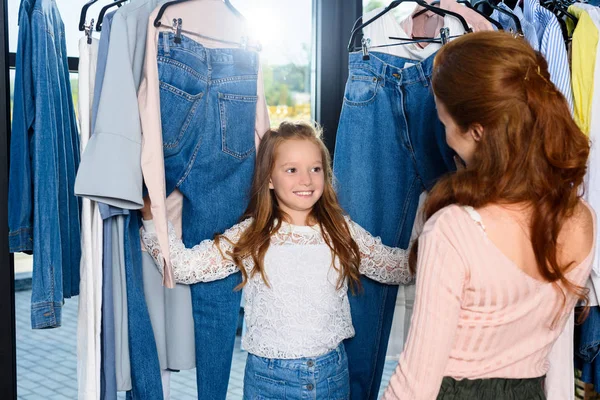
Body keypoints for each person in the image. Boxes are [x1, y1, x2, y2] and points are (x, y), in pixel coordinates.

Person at [383, 31, 595, 400]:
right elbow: (557, 352)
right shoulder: (580, 219)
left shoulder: (454, 231)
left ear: (477, 131)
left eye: (444, 121)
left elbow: (414, 385)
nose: (445, 135)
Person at [140, 121, 414, 399]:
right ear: (270, 178)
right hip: (269, 380)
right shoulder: (252, 234)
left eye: (315, 169)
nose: (306, 179)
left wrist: (435, 237)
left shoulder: (341, 230)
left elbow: (395, 267)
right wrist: (151, 219)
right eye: (291, 170)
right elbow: (185, 267)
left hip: (331, 376)